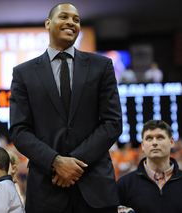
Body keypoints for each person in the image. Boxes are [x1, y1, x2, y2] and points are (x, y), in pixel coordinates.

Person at [9, 2, 122, 213]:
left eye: (76, 19)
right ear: (48, 23)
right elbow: (19, 130)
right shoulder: (23, 73)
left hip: (95, 186)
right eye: (64, 17)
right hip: (46, 188)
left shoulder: (102, 66)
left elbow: (112, 123)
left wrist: (73, 164)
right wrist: (54, 162)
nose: (71, 22)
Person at [117, 120, 182, 212]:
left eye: (160, 137)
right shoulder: (124, 185)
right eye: (149, 138)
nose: (154, 143)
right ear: (142, 145)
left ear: (171, 142)